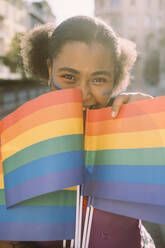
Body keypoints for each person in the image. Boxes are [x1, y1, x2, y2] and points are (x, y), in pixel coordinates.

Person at [7, 16, 155, 248]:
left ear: (115, 77)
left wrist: (154, 124)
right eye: (69, 77)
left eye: (98, 79)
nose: (82, 94)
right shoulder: (18, 141)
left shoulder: (132, 131)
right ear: (49, 69)